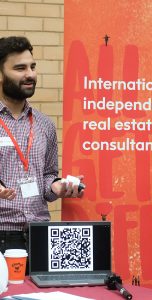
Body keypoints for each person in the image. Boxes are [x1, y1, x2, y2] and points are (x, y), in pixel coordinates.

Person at [0, 36, 84, 256]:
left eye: (32, 66)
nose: (30, 74)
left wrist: (56, 186)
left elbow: (47, 175)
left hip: (39, 235)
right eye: (20, 68)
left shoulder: (44, 124)